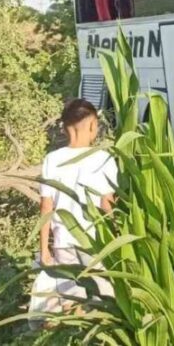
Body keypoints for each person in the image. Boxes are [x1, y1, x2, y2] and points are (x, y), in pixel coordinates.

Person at [39, 99, 117, 272]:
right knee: (100, 294)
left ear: (65, 127)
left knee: (70, 295)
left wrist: (44, 249)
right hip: (96, 242)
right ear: (92, 126)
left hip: (63, 242)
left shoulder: (52, 160)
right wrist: (117, 237)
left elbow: (46, 207)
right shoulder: (103, 158)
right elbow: (107, 203)